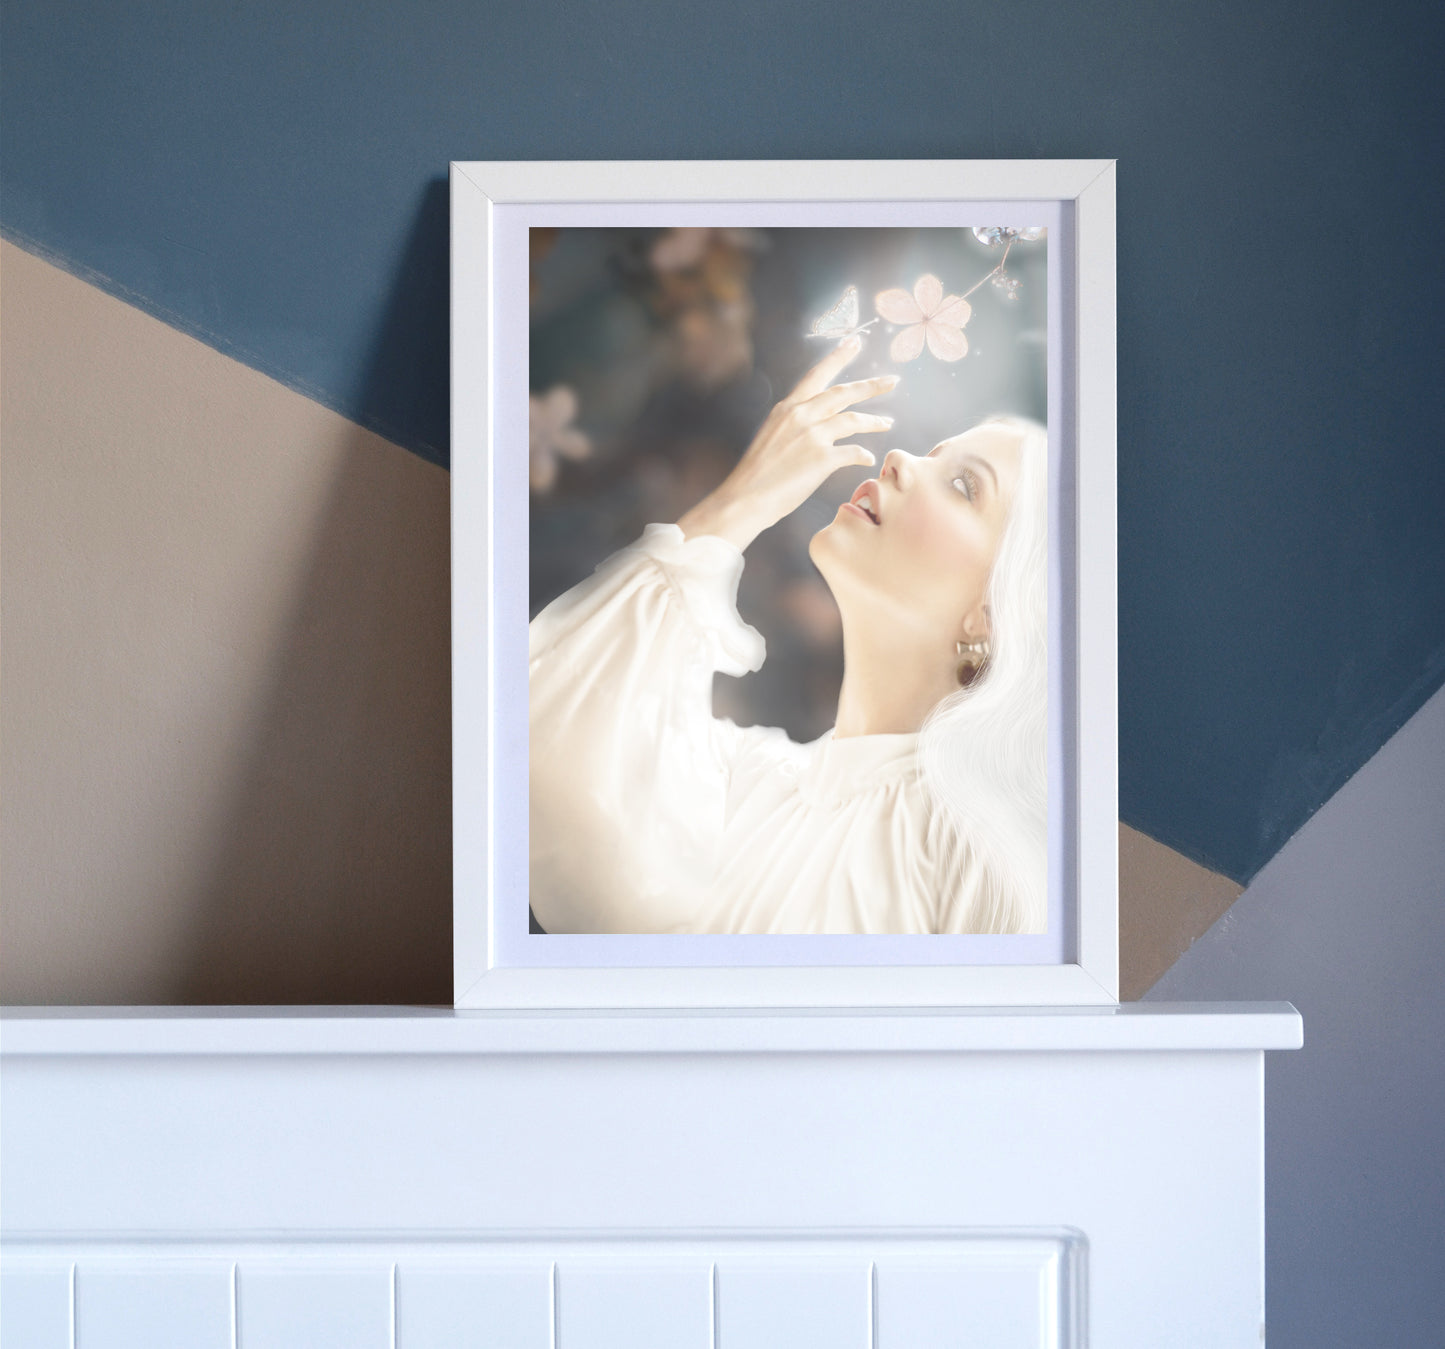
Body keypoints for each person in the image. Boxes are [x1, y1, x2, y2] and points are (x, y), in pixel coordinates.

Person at [528, 333, 1048, 935]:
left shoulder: (979, 859)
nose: (900, 459)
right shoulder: (744, 779)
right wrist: (744, 499)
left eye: (964, 485)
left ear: (995, 611)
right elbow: (541, 734)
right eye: (933, 452)